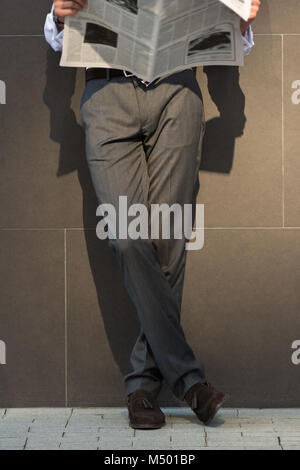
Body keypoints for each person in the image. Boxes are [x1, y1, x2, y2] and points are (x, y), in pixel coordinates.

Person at [44, 0, 261, 430]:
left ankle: (142, 387)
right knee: (126, 235)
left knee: (168, 241)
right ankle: (190, 380)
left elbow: (231, 38)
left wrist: (240, 22)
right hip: (106, 92)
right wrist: (56, 14)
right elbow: (54, 34)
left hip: (177, 92)